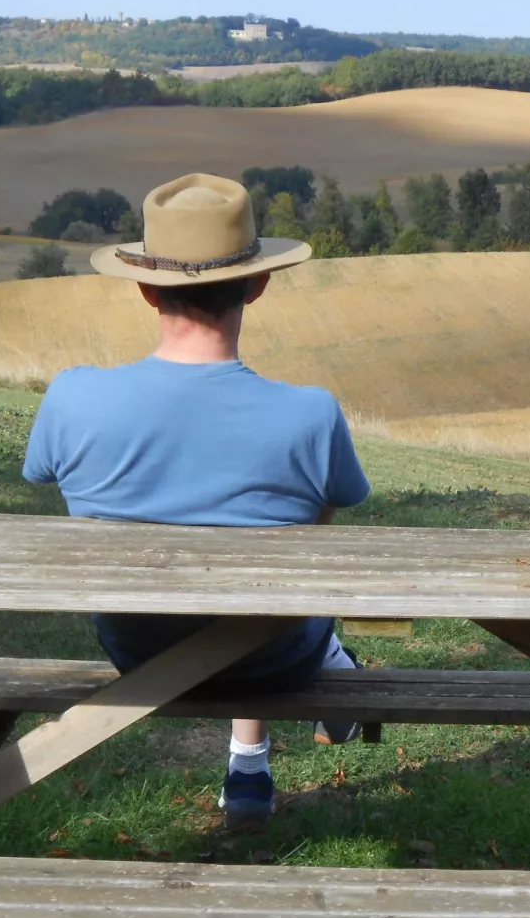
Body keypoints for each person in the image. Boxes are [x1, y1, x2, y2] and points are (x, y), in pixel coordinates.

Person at [23, 173, 371, 830]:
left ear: (146, 288)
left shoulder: (71, 398)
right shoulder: (311, 416)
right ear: (259, 282)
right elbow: (333, 517)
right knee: (295, 550)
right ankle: (265, 738)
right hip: (276, 657)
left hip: (136, 649)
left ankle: (251, 759)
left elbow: (40, 472)